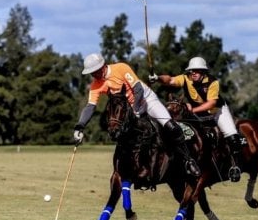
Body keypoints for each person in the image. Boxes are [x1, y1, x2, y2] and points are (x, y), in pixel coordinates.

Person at [73, 53, 201, 178]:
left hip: (146, 99)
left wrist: (136, 110)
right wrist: (80, 127)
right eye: (91, 72)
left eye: (95, 71)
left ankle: (188, 160)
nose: (94, 74)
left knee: (171, 126)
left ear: (103, 66)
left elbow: (138, 89)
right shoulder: (96, 84)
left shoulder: (121, 68)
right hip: (128, 108)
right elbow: (90, 106)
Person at [149, 56, 242, 182]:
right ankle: (187, 161)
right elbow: (170, 80)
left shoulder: (213, 82)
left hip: (217, 110)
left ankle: (234, 166)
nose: (193, 73)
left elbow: (211, 104)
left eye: (196, 70)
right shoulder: (186, 78)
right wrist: (157, 78)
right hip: (197, 111)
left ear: (203, 72)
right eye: (191, 70)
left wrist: (192, 110)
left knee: (231, 135)